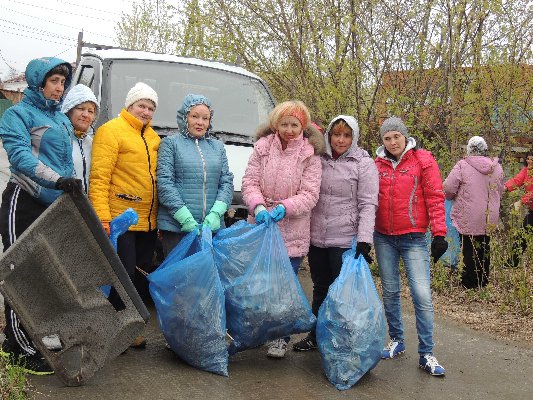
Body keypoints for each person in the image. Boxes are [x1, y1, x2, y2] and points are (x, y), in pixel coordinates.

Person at [0, 57, 80, 375]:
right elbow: (20, 157)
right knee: (21, 273)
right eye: (54, 81)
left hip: (54, 206)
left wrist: (73, 190)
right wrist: (57, 180)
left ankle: (40, 336)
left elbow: (67, 164)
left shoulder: (60, 120)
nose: (59, 88)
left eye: (63, 82)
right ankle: (17, 345)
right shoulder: (17, 115)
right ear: (38, 83)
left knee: (48, 275)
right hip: (24, 200)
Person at [241, 100, 324, 358]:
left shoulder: (309, 155)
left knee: (283, 288)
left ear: (303, 126)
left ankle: (280, 337)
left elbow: (310, 194)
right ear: (276, 124)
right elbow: (249, 182)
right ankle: (260, 332)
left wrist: (284, 208)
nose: (289, 129)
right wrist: (258, 206)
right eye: (284, 124)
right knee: (259, 285)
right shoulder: (262, 148)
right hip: (261, 227)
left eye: (295, 125)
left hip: (292, 232)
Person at [292, 115, 379, 352]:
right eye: (336, 134)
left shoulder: (363, 163)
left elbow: (368, 204)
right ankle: (315, 334)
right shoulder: (318, 158)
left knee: (342, 293)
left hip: (344, 239)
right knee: (320, 286)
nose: (341, 140)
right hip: (317, 237)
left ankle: (341, 338)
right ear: (329, 135)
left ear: (354, 137)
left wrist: (364, 239)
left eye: (347, 135)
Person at [374, 116, 448, 376]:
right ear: (382, 140)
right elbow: (368, 200)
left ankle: (426, 352)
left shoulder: (423, 161)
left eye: (396, 136)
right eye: (387, 137)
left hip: (414, 237)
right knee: (391, 291)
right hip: (383, 236)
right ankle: (397, 340)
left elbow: (436, 197)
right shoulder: (377, 165)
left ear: (405, 136)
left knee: (421, 295)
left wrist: (439, 233)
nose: (393, 142)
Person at [89, 82, 160, 348]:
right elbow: (99, 179)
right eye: (142, 105)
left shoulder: (153, 138)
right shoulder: (111, 131)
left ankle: (129, 328)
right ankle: (114, 329)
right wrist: (103, 218)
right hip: (120, 220)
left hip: (148, 221)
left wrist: (158, 219)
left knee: (140, 277)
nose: (146, 111)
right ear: (129, 105)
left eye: (151, 108)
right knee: (122, 276)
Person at [157, 94, 234, 256]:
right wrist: (184, 218)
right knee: (179, 278)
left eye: (205, 118)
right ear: (184, 117)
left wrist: (216, 213)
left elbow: (226, 182)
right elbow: (165, 183)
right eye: (194, 116)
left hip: (211, 228)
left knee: (206, 277)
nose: (200, 122)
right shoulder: (170, 143)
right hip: (177, 228)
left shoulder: (217, 147)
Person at [443, 136, 504, 288]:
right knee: (484, 245)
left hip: (468, 214)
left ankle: (469, 283)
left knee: (469, 247)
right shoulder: (497, 167)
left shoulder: (462, 165)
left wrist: (451, 197)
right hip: (490, 215)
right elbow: (500, 190)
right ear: (485, 150)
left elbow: (449, 188)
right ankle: (483, 281)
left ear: (469, 149)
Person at [61, 84, 100, 193]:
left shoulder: (93, 143)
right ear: (69, 110)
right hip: (62, 206)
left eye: (90, 111)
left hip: (86, 206)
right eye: (80, 108)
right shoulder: (59, 139)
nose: (85, 114)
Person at [504, 151, 533, 267]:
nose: (529, 161)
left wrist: (521, 201)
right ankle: (512, 262)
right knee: (522, 234)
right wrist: (505, 188)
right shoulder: (526, 171)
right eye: (528, 159)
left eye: (532, 159)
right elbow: (517, 180)